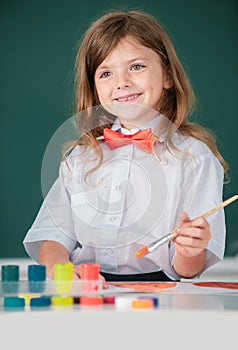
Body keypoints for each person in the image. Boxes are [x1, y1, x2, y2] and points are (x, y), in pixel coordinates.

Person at [23, 10, 228, 283]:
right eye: (106, 73)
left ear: (168, 75)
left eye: (136, 67)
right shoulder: (82, 157)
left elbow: (188, 269)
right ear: (94, 88)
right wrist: (59, 270)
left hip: (161, 293)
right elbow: (51, 237)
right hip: (87, 288)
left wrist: (190, 249)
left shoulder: (195, 158)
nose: (122, 82)